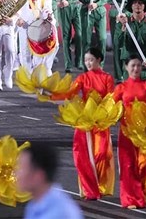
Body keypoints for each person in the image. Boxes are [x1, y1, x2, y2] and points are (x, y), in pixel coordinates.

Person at [58, 47, 115, 200]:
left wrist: (104, 113)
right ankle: (90, 190)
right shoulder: (83, 78)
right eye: (86, 60)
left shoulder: (107, 78)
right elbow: (69, 93)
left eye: (91, 60)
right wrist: (50, 93)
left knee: (101, 154)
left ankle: (101, 185)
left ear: (99, 60)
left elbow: (111, 98)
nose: (88, 63)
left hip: (101, 121)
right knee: (82, 156)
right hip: (85, 121)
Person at [113, 56, 146, 209]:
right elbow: (111, 107)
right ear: (126, 67)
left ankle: (142, 194)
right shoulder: (121, 87)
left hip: (143, 133)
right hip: (126, 132)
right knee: (127, 166)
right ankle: (129, 199)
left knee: (143, 164)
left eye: (139, 65)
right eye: (132, 65)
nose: (136, 68)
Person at [16, 142, 83, 219]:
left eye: (22, 168)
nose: (17, 174)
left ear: (38, 175)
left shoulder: (59, 213)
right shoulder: (36, 203)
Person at [116, 0, 146, 89]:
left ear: (144, 6)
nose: (137, 5)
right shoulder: (123, 23)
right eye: (134, 3)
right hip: (130, 66)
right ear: (131, 6)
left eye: (140, 3)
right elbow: (118, 43)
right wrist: (123, 28)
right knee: (130, 95)